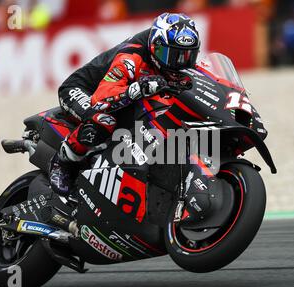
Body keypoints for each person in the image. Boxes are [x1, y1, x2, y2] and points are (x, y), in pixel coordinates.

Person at [49, 13, 201, 196]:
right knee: (103, 119)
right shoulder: (132, 56)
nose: (178, 63)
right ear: (155, 46)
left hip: (118, 95)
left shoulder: (171, 64)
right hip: (82, 90)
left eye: (186, 56)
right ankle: (63, 162)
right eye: (172, 55)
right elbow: (100, 99)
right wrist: (137, 88)